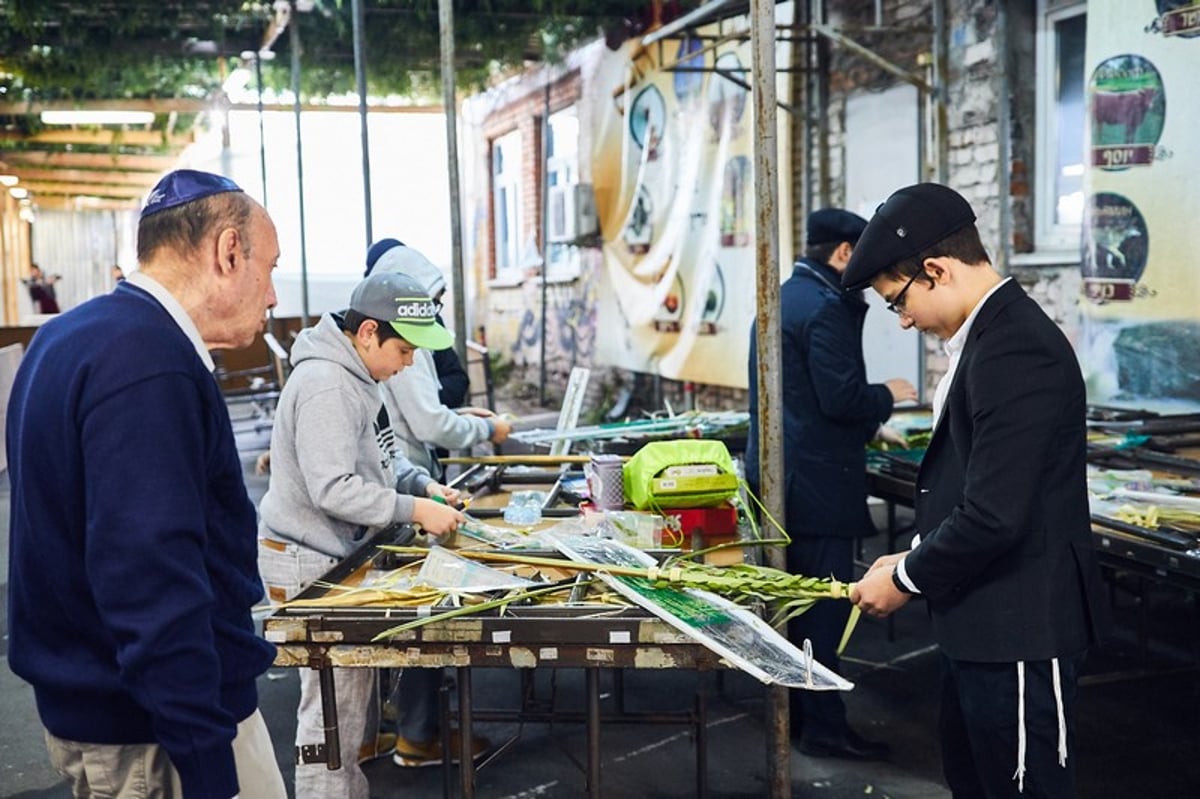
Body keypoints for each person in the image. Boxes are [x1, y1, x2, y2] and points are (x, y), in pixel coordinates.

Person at [6, 169, 287, 799]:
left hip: (102, 704)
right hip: (158, 732)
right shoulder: (150, 363)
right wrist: (205, 759)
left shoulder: (65, 338)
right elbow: (150, 575)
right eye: (269, 268)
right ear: (228, 251)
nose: (272, 295)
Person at [845, 183, 1108, 797]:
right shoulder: (986, 338)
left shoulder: (1014, 348)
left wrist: (907, 578)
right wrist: (910, 553)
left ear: (934, 270)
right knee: (978, 779)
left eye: (898, 302)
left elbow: (994, 514)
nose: (904, 319)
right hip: (983, 619)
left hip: (1019, 626)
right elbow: (969, 482)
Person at [256, 270, 477, 798]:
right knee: (333, 719)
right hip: (308, 558)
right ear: (369, 332)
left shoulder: (362, 375)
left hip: (331, 552)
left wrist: (423, 484)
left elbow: (384, 456)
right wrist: (415, 508)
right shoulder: (329, 385)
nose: (407, 364)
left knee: (349, 717)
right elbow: (332, 488)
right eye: (404, 350)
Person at [745, 208, 917, 760]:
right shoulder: (824, 307)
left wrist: (873, 423)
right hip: (819, 484)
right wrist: (889, 393)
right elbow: (840, 397)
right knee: (823, 608)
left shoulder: (783, 298)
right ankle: (823, 727)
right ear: (844, 253)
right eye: (865, 260)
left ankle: (795, 717)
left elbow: (800, 394)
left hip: (783, 480)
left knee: (793, 608)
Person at [369, 241, 512, 479]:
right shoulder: (401, 339)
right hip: (406, 481)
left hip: (410, 478)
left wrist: (459, 415)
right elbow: (429, 425)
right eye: (432, 302)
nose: (408, 362)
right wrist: (487, 429)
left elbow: (416, 412)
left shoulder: (398, 340)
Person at [366, 237, 469, 408]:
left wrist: (430, 398)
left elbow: (458, 378)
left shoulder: (431, 320)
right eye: (404, 350)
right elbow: (425, 420)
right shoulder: (389, 329)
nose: (410, 361)